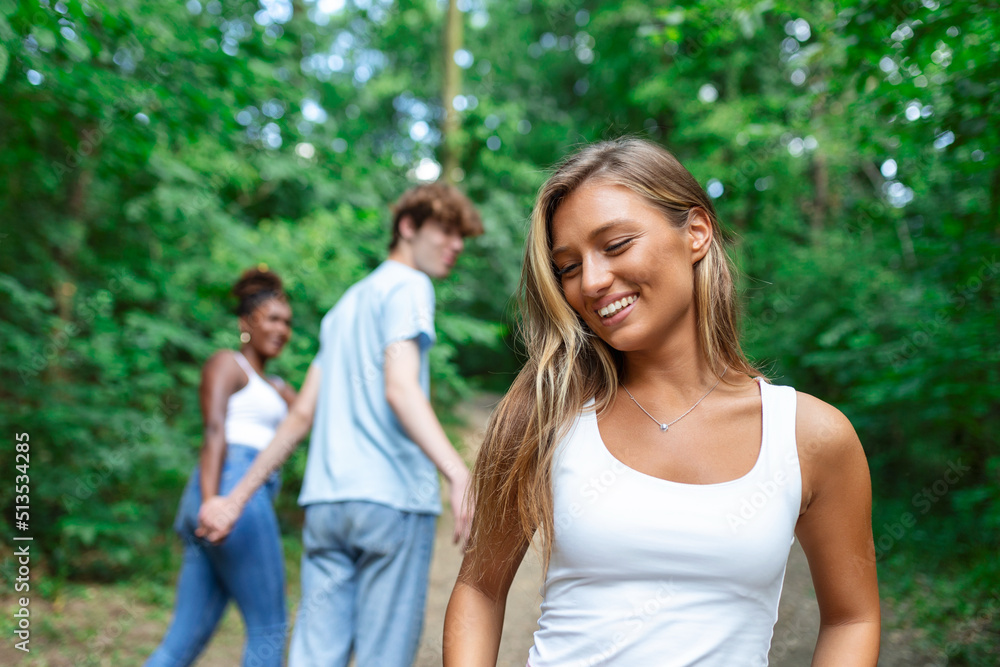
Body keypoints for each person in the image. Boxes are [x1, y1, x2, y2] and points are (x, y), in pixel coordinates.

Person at [443, 138, 881, 666]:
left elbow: (852, 618)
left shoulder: (810, 435)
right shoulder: (545, 413)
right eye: (568, 267)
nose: (593, 281)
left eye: (617, 244)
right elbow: (480, 590)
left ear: (696, 232)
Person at [197, 182, 485, 666]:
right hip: (390, 503)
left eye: (462, 237)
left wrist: (232, 501)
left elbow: (301, 416)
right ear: (408, 227)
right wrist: (457, 472)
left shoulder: (344, 307)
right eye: (447, 231)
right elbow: (400, 386)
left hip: (328, 507)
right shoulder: (411, 286)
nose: (456, 245)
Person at [147, 267, 297, 667]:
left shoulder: (281, 387)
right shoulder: (227, 363)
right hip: (231, 487)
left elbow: (313, 413)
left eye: (287, 322)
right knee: (269, 628)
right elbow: (215, 432)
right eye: (272, 319)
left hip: (232, 493)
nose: (282, 329)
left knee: (184, 640)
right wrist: (215, 501)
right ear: (246, 322)